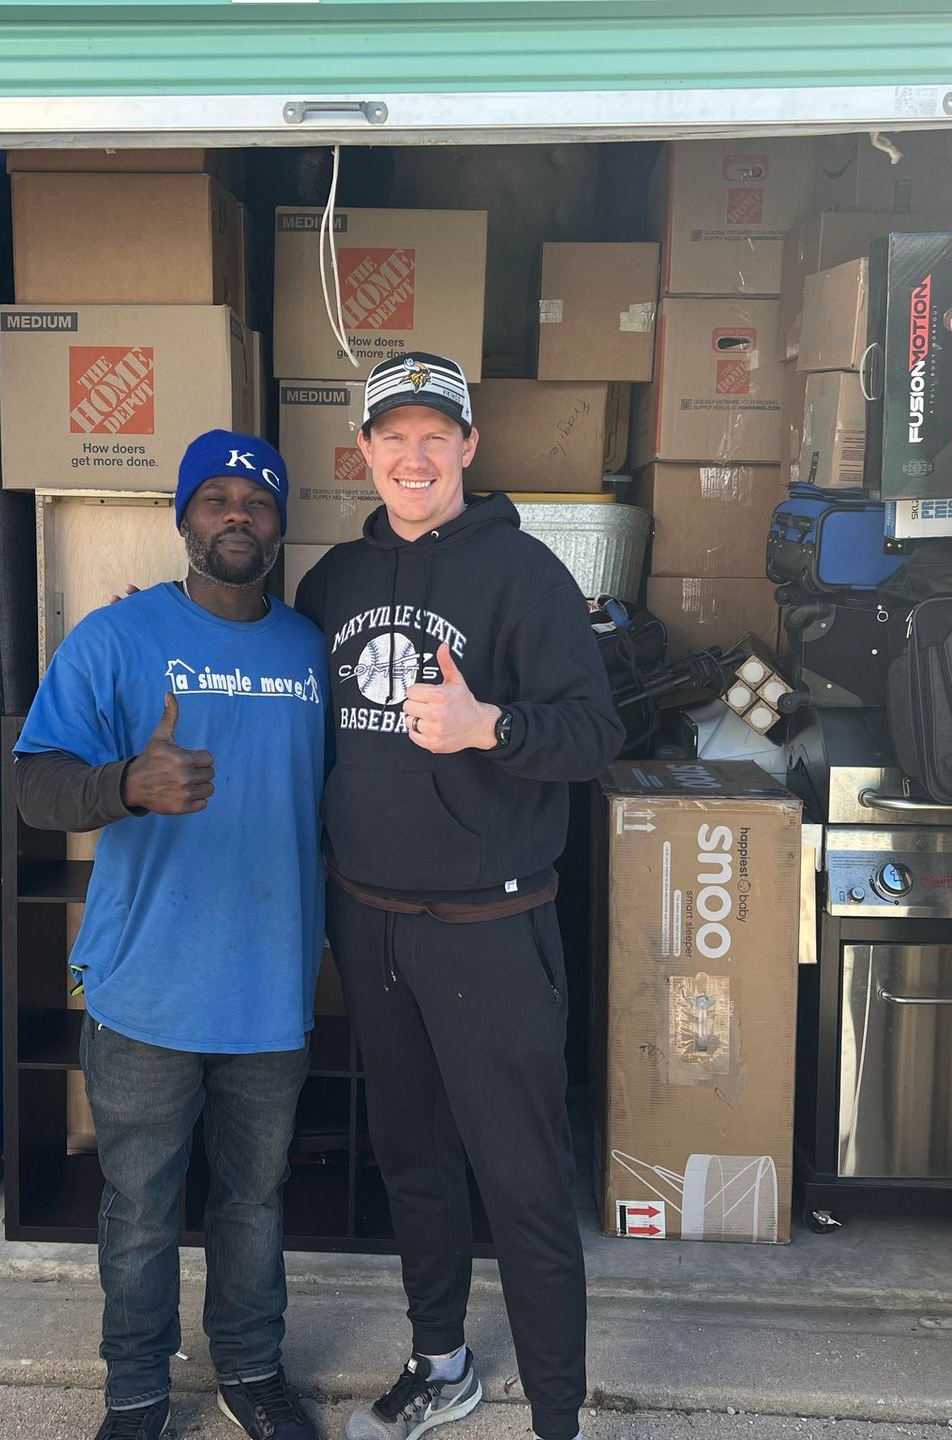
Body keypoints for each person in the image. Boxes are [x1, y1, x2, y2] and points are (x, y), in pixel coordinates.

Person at [292, 353, 625, 1440]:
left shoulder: (524, 575)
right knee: (413, 1163)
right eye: (394, 436)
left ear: (470, 448)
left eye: (436, 435)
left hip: (491, 928)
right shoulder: (332, 583)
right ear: (364, 452)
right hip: (371, 923)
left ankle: (559, 1419)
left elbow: (596, 735)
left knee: (524, 1182)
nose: (415, 456)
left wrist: (492, 726)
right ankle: (441, 1364)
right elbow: (288, 712)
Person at [15, 430, 327, 1440]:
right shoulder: (115, 639)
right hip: (145, 986)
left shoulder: (311, 651)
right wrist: (124, 785)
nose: (238, 514)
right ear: (183, 517)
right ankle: (137, 1392)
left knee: (255, 1200)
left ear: (279, 526)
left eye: (259, 501)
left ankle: (251, 1370)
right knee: (141, 1208)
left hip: (271, 987)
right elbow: (34, 787)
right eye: (217, 498)